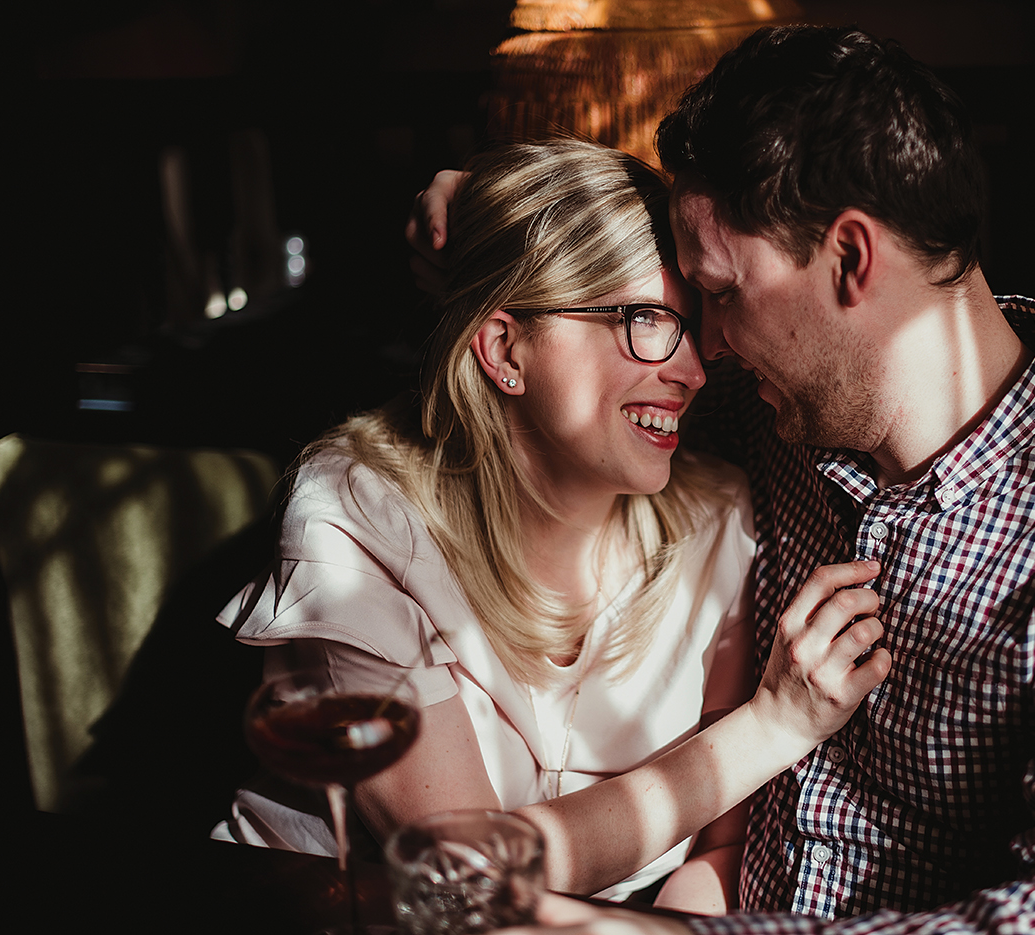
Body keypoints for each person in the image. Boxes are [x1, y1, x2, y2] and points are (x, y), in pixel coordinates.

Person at [409, 23, 1035, 935]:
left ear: (852, 259)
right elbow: (588, 369)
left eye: (724, 293)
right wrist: (489, 218)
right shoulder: (770, 406)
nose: (709, 346)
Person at [218, 139, 891, 914]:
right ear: (504, 347)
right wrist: (773, 728)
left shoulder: (717, 517)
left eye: (690, 326)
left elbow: (720, 847)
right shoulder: (361, 510)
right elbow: (462, 873)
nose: (692, 372)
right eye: (644, 320)